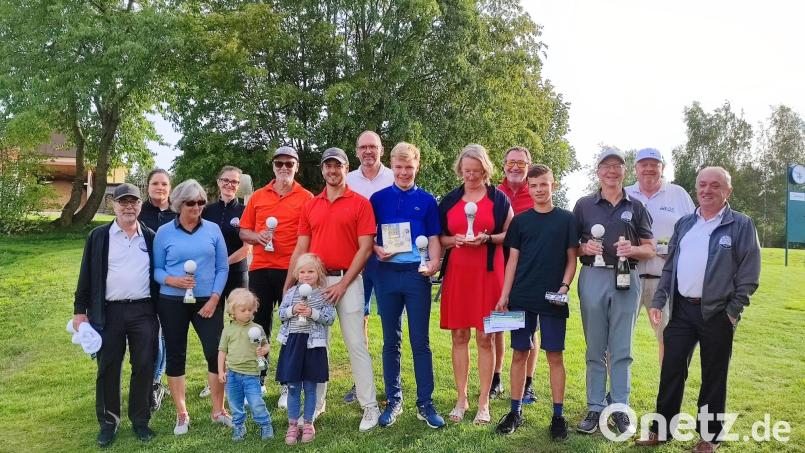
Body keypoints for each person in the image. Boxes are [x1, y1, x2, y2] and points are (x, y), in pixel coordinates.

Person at [636, 167, 761, 453]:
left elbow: (749, 274)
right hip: (682, 311)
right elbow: (670, 266)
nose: (707, 190)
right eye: (702, 184)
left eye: (715, 185)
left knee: (713, 376)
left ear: (728, 191)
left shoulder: (741, 225)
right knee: (671, 369)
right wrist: (658, 301)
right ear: (696, 188)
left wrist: (733, 311)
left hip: (718, 313)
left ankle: (710, 437)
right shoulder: (685, 223)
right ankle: (662, 429)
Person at [284, 147, 381, 432]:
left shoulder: (361, 203)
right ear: (322, 170)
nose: (332, 170)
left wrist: (342, 283)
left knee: (356, 344)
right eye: (328, 166)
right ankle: (317, 404)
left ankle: (370, 406)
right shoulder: (311, 205)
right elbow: (301, 247)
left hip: (348, 280)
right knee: (316, 345)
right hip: (316, 284)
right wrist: (289, 283)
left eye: (337, 166)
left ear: (346, 169)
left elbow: (365, 249)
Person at [573, 147, 655, 436]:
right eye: (606, 166)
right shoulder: (584, 205)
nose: (611, 171)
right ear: (598, 172)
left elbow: (650, 248)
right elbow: (573, 247)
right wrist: (585, 247)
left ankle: (619, 407)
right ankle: (595, 407)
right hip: (593, 277)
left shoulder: (637, 207)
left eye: (617, 166)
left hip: (626, 278)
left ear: (624, 171)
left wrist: (632, 249)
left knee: (621, 349)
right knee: (595, 348)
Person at [494, 165, 578, 440]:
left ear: (553, 185)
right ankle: (515, 412)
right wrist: (504, 295)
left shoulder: (567, 219)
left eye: (544, 184)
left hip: (553, 299)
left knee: (555, 355)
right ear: (528, 188)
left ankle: (558, 416)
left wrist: (564, 286)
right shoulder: (520, 221)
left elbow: (571, 259)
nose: (539, 190)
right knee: (520, 352)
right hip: (522, 297)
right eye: (534, 185)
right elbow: (512, 261)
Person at [74, 183, 160, 447]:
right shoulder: (99, 236)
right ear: (113, 204)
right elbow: (86, 276)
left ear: (140, 205)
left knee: (144, 365)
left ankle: (141, 421)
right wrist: (79, 311)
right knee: (108, 367)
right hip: (108, 312)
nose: (129, 207)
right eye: (123, 202)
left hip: (144, 310)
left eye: (133, 202)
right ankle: (108, 424)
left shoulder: (151, 237)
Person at [369, 142, 445, 429]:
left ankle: (425, 403)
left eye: (409, 167)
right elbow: (369, 235)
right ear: (391, 165)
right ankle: (394, 400)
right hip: (386, 274)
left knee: (420, 341)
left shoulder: (427, 200)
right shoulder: (377, 199)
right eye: (399, 167)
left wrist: (434, 262)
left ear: (417, 167)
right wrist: (376, 248)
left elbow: (434, 237)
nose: (403, 172)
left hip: (417, 275)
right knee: (391, 340)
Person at [438, 144, 513, 425]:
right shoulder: (449, 200)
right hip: (458, 274)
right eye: (466, 170)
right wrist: (454, 240)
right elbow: (440, 238)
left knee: (485, 337)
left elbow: (511, 234)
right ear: (460, 169)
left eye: (476, 171)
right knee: (459, 336)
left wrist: (488, 238)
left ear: (485, 170)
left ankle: (483, 402)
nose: (471, 176)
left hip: (489, 274)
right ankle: (461, 398)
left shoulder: (499, 199)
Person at [153, 179, 231, 435]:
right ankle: (182, 413)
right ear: (178, 204)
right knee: (176, 355)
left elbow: (222, 267)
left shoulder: (213, 230)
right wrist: (172, 280)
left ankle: (218, 410)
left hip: (208, 301)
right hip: (172, 302)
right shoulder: (164, 232)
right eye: (190, 203)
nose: (197, 207)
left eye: (200, 202)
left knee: (215, 353)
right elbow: (157, 270)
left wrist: (214, 299)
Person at [239, 146, 313, 407]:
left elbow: (311, 235)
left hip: (291, 271)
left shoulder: (306, 197)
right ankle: (259, 379)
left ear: (296, 167)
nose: (284, 168)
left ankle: (287, 384)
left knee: (292, 326)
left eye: (289, 164)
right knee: (258, 327)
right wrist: (256, 237)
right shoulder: (258, 196)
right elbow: (244, 231)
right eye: (279, 163)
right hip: (260, 268)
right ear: (273, 166)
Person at [625, 148, 695, 364]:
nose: (648, 169)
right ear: (635, 168)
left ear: (662, 168)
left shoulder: (678, 194)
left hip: (665, 279)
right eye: (643, 164)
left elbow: (694, 232)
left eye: (654, 164)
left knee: (669, 338)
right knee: (618, 337)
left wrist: (677, 251)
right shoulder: (624, 193)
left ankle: (668, 385)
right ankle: (616, 385)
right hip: (627, 276)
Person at [344, 130, 394, 404]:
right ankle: (361, 381)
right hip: (357, 260)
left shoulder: (394, 176)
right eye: (363, 147)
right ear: (356, 151)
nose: (368, 151)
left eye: (372, 146)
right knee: (357, 319)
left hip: (388, 260)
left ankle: (390, 381)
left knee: (390, 320)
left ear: (381, 150)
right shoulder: (348, 180)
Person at [200, 166, 251, 399]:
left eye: (234, 182)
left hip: (237, 274)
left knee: (239, 326)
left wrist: (224, 264)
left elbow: (247, 248)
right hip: (211, 277)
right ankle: (216, 376)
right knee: (214, 330)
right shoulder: (207, 210)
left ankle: (242, 378)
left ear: (239, 185)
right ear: (218, 182)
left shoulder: (245, 211)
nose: (230, 185)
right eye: (226, 180)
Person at [276, 253, 336, 445]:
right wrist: (292, 310)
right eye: (302, 272)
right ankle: (293, 425)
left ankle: (308, 423)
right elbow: (280, 314)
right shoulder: (291, 293)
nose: (306, 275)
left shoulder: (324, 294)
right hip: (293, 344)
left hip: (313, 345)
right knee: (293, 387)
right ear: (296, 274)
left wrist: (312, 313)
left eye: (311, 271)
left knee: (310, 387)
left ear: (318, 273)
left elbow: (330, 318)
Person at [495, 146, 539, 403]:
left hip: (530, 271)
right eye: (511, 162)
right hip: (499, 268)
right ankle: (497, 378)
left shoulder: (535, 192)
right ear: (503, 165)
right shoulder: (495, 193)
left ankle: (528, 383)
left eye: (521, 164)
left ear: (528, 167)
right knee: (499, 324)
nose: (515, 167)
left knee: (530, 328)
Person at [137, 168, 176, 413]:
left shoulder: (177, 213)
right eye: (155, 183)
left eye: (164, 184)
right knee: (152, 334)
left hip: (171, 284)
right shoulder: (139, 212)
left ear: (170, 188)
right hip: (143, 282)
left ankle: (156, 381)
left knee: (166, 334)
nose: (159, 188)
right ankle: (153, 381)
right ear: (148, 187)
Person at [217, 288, 273, 442]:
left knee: (256, 402)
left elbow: (266, 345)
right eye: (243, 310)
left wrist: (264, 350)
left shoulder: (257, 328)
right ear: (233, 311)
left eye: (250, 310)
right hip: (232, 374)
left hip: (251, 374)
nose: (248, 313)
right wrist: (221, 371)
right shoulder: (228, 330)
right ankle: (239, 426)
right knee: (235, 404)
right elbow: (222, 351)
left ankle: (265, 424)